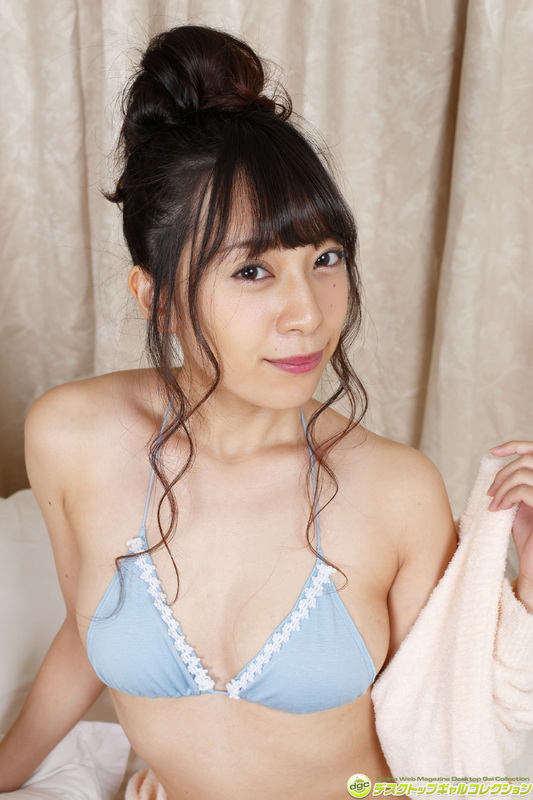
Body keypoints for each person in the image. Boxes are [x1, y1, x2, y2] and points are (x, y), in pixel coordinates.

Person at [0, 24, 532, 800]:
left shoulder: (395, 492)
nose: (307, 314)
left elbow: (456, 735)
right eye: (252, 270)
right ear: (156, 298)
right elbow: (87, 635)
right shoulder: (72, 436)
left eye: (325, 259)